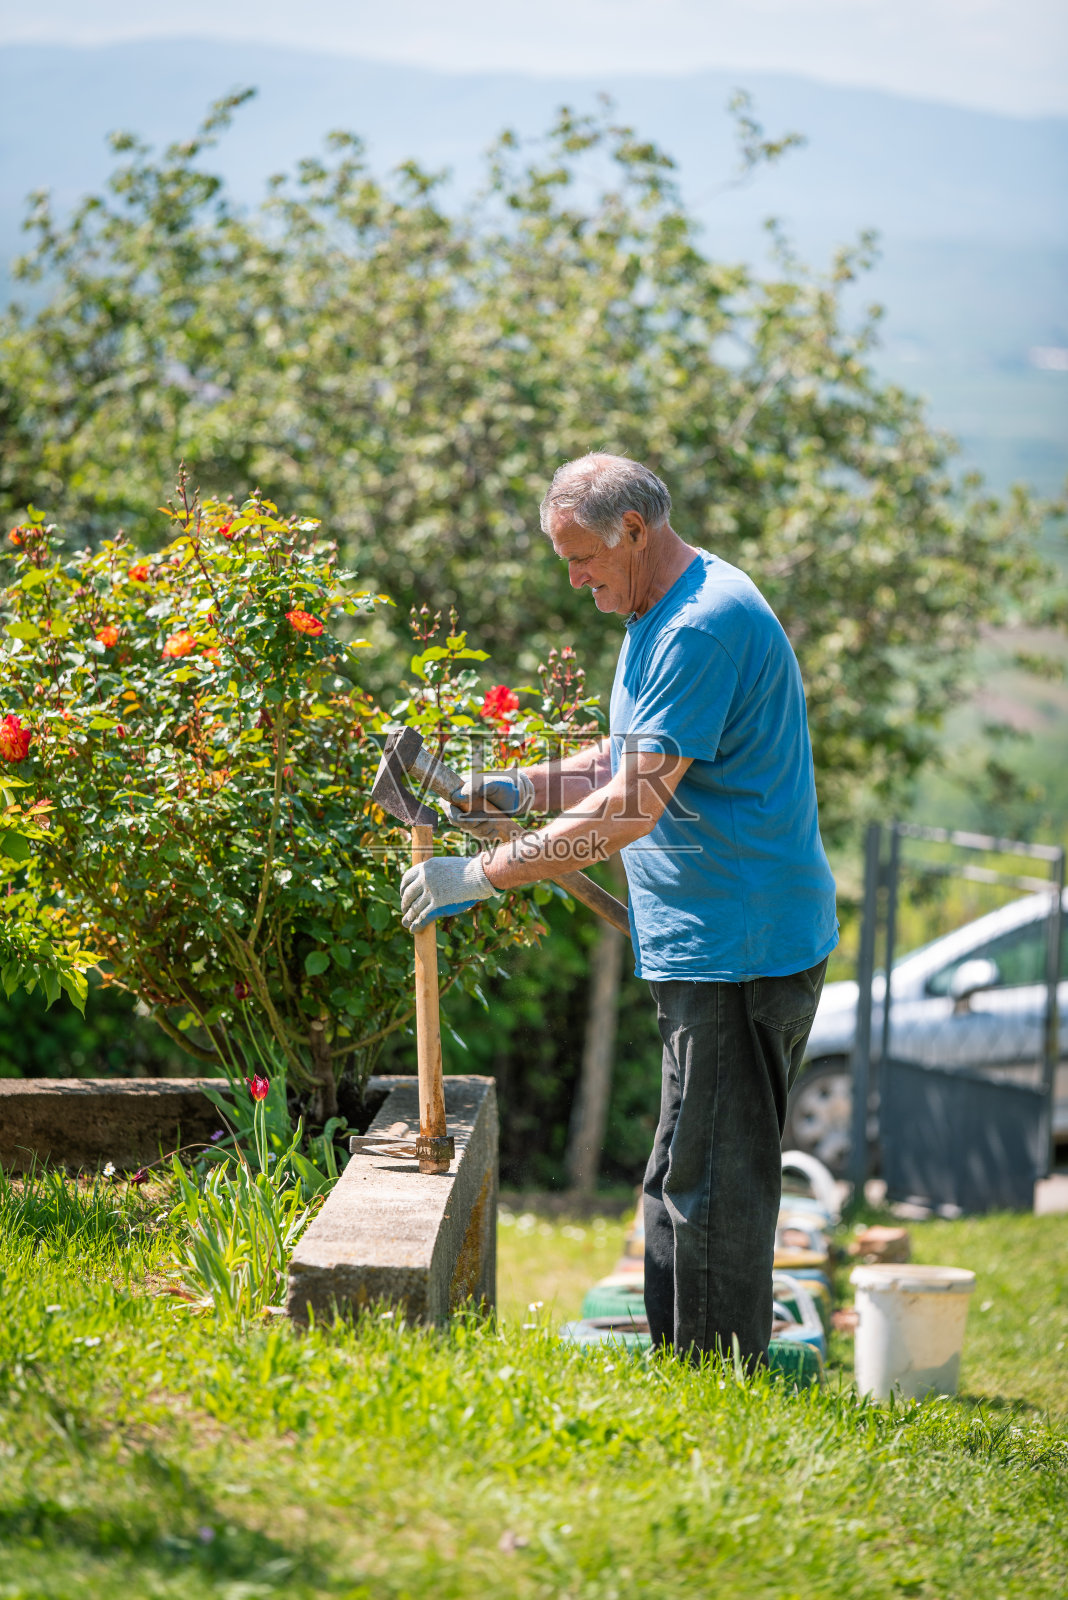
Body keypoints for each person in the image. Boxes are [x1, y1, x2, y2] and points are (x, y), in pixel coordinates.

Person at [399, 452, 838, 1367]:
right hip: (701, 946)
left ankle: (718, 1391)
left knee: (712, 1186)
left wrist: (484, 875)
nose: (575, 581)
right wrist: (504, 789)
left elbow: (632, 806)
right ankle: (693, 1375)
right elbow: (615, 762)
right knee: (680, 1173)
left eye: (582, 559)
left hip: (741, 951)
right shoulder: (654, 611)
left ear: (634, 531)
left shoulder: (702, 627)